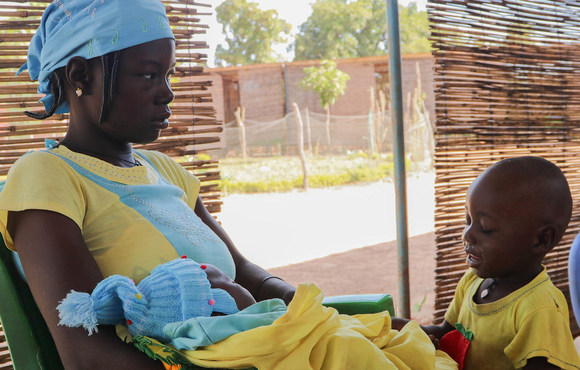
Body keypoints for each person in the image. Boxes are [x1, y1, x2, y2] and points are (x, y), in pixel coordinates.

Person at [0, 1, 294, 368]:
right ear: (80, 76)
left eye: (168, 75)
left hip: (263, 348)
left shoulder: (166, 171)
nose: (167, 93)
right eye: (148, 75)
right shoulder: (47, 175)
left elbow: (247, 274)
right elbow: (87, 354)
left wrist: (311, 309)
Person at [392, 156, 580, 370]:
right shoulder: (472, 282)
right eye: (468, 220)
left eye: (486, 228)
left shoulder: (539, 309)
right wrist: (406, 328)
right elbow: (446, 332)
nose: (467, 235)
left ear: (541, 239)